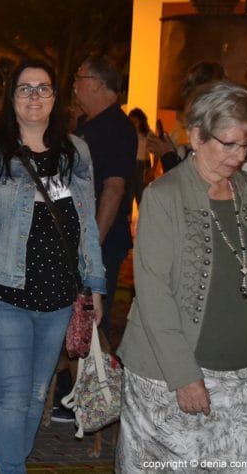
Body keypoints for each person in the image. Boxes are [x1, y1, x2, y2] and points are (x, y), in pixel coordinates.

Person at [0, 59, 106, 473]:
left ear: (56, 97)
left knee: (36, 395)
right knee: (12, 395)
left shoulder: (76, 153)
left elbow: (86, 225)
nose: (35, 96)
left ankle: (14, 461)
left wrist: (95, 285)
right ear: (11, 98)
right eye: (25, 88)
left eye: (44, 88)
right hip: (3, 296)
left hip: (59, 299)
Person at [116, 80, 247, 471]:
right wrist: (184, 376)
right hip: (168, 376)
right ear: (196, 135)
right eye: (229, 143)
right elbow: (154, 294)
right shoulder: (164, 197)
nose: (240, 155)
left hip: (242, 377)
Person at [73, 54, 137, 339]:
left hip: (101, 242)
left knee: (91, 320)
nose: (74, 85)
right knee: (73, 318)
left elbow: (113, 188)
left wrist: (92, 245)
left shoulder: (116, 128)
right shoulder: (89, 125)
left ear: (97, 84)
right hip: (83, 239)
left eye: (79, 77)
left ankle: (96, 382)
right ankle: (66, 380)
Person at [128, 107, 152, 205]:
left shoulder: (147, 135)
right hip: (130, 165)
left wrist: (152, 170)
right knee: (128, 195)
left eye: (135, 122)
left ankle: (144, 219)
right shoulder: (127, 133)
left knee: (141, 196)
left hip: (142, 166)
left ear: (141, 122)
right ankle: (127, 218)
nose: (133, 124)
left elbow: (155, 151)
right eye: (131, 121)